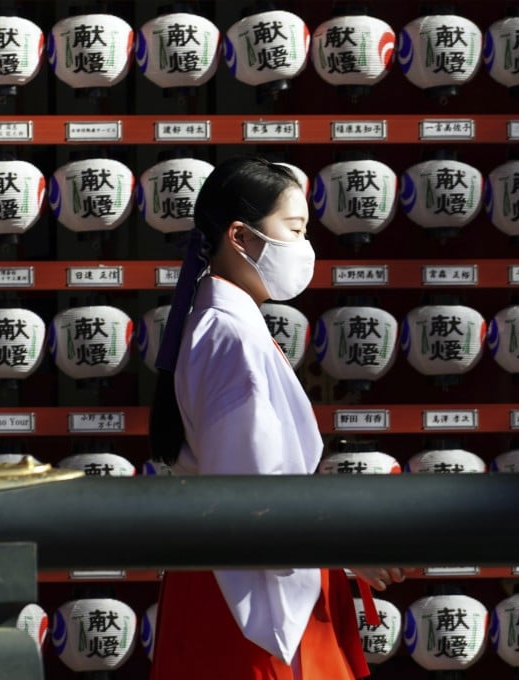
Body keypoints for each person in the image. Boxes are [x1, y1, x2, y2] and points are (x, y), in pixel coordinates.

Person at [148, 156, 404, 679]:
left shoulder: (225, 323)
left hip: (236, 569)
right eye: (294, 230)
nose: (303, 247)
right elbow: (252, 493)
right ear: (240, 237)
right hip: (248, 586)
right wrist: (344, 546)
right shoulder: (231, 337)